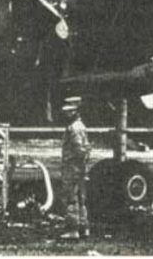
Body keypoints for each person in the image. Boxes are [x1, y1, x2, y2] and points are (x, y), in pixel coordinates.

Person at [59, 101, 91, 240]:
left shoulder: (74, 128)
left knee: (71, 198)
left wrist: (77, 166)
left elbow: (79, 150)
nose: (66, 114)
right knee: (80, 198)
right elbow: (86, 149)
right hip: (79, 167)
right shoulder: (80, 126)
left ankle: (72, 229)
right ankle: (84, 227)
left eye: (69, 111)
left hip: (72, 167)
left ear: (74, 111)